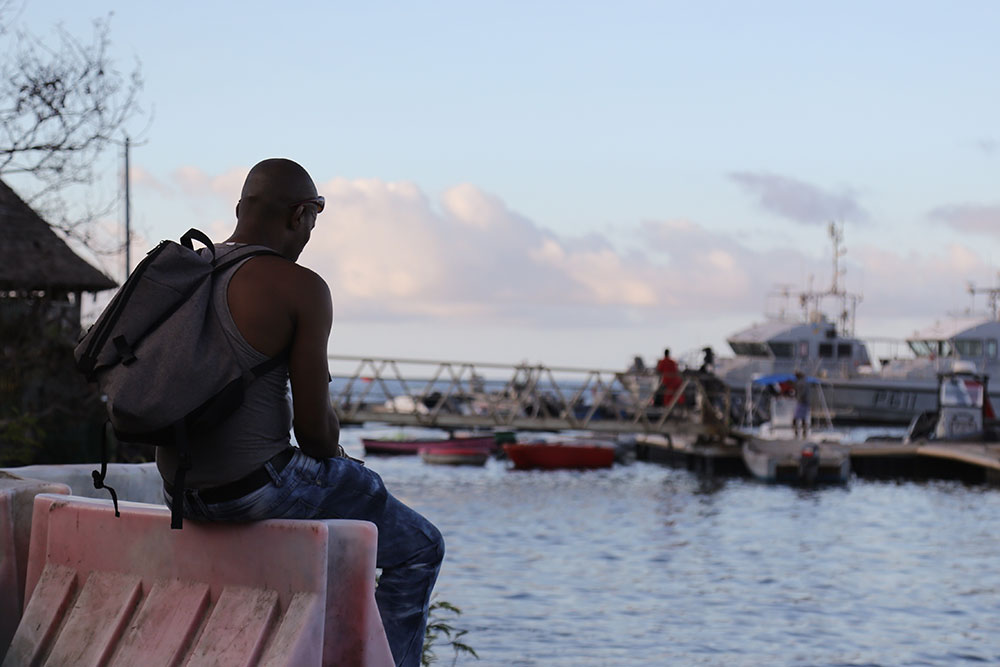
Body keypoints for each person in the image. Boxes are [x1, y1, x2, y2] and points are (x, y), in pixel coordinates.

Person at [156, 158, 443, 667]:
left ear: (241, 209)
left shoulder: (184, 274)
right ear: (301, 216)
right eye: (315, 216)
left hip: (180, 492)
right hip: (252, 490)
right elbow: (312, 434)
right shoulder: (301, 287)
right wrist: (339, 455)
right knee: (419, 544)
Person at [792, 370, 810, 439]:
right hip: (804, 402)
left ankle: (797, 433)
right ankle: (803, 434)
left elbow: (801, 392)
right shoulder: (805, 381)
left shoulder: (800, 382)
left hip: (802, 402)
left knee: (795, 419)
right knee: (803, 419)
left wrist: (798, 397)